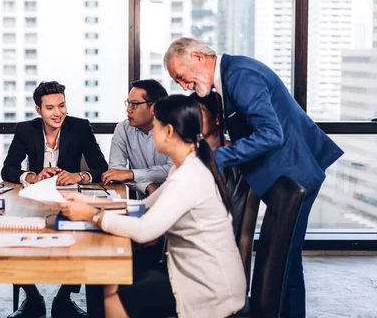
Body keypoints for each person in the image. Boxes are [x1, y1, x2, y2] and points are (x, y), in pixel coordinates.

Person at [164, 37, 344, 318]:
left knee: (280, 263)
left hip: (293, 173)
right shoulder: (226, 79)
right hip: (284, 174)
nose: (184, 85)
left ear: (198, 57)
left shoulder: (240, 76)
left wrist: (213, 160)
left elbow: (271, 134)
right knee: (287, 262)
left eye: (180, 77)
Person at [59, 95, 246, 318]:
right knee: (109, 277)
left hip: (207, 290)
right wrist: (92, 202)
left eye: (155, 125)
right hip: (200, 277)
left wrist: (93, 215)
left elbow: (144, 230)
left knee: (112, 290)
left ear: (168, 131)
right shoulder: (188, 165)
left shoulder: (188, 176)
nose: (151, 132)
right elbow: (145, 205)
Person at [1, 81, 108, 318]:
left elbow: (102, 167)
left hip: (69, 200)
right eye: (50, 108)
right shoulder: (25, 130)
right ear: (38, 110)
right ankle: (33, 297)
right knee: (11, 234)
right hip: (34, 199)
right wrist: (32, 176)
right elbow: (7, 170)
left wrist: (78, 175)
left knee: (85, 238)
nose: (57, 113)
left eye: (62, 106)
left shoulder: (80, 127)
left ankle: (64, 297)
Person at [190, 92, 249, 242]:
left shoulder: (225, 155)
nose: (193, 120)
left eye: (199, 113)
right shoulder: (203, 149)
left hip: (216, 235)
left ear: (217, 119)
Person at [102, 79, 172, 199]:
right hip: (144, 204)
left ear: (154, 107)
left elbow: (172, 169)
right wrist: (147, 185)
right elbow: (116, 171)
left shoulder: (174, 128)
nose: (128, 109)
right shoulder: (123, 128)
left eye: (134, 104)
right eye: (128, 103)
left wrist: (131, 174)